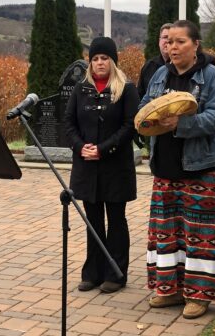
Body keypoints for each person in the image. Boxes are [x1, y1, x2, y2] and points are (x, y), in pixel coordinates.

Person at [140, 20, 215, 319]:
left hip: (200, 169)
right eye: (169, 41)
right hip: (166, 169)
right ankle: (170, 288)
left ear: (196, 44)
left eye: (180, 41)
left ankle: (200, 294)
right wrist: (151, 120)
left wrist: (182, 124)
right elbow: (145, 105)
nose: (172, 47)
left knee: (203, 234)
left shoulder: (211, 76)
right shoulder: (160, 74)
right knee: (168, 233)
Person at [64, 36, 140, 293]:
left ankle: (116, 274)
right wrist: (80, 146)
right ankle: (93, 273)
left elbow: (130, 125)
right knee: (93, 220)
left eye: (104, 58)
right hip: (87, 168)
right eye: (95, 58)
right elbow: (69, 123)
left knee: (116, 220)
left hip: (115, 167)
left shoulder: (126, 88)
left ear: (113, 61)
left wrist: (103, 149)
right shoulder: (80, 88)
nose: (99, 63)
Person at [137, 23, 172, 100]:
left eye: (171, 38)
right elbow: (140, 96)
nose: (167, 41)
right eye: (165, 37)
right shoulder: (148, 67)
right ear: (159, 41)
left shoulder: (182, 67)